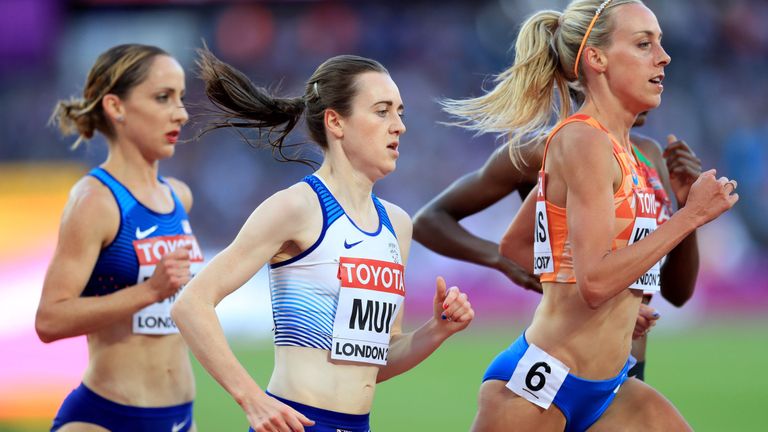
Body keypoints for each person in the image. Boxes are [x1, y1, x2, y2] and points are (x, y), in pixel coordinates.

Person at [439, 1, 738, 430]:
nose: (664, 57)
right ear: (597, 58)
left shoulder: (627, 152)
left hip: (609, 386)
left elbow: (517, 245)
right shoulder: (583, 140)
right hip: (540, 386)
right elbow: (595, 282)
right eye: (643, 44)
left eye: (659, 43)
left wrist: (617, 306)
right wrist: (691, 216)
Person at [171, 47, 474, 432]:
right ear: (335, 122)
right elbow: (191, 304)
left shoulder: (397, 225)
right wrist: (252, 399)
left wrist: (437, 330)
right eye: (382, 111)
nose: (399, 126)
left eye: (400, 112)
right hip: (295, 423)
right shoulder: (297, 207)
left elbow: (377, 360)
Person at [413, 110, 702, 380]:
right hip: (568, 361)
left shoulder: (648, 155)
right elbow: (429, 221)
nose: (659, 78)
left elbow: (677, 293)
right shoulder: (542, 150)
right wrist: (502, 261)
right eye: (642, 64)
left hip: (629, 366)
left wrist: (688, 206)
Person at [35, 44, 199, 432]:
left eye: (180, 97)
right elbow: (50, 319)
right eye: (163, 97)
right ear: (116, 107)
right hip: (108, 418)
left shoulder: (179, 196)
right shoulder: (96, 201)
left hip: (180, 417)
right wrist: (149, 292)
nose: (181, 113)